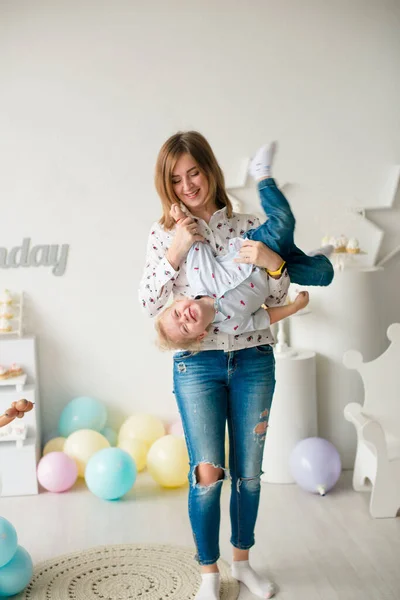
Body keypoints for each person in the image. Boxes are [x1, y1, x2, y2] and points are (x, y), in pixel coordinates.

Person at [139, 131, 291, 599]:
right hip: (197, 367)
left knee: (249, 472)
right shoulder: (164, 233)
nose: (188, 186)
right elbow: (149, 305)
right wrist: (175, 251)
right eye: (176, 179)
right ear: (167, 186)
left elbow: (278, 297)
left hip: (254, 359)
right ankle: (209, 575)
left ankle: (242, 563)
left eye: (194, 173)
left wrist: (272, 263)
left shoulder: (248, 225)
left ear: (210, 170)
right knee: (207, 473)